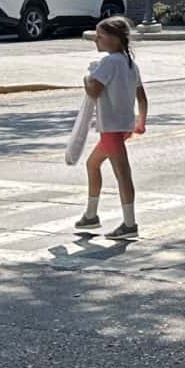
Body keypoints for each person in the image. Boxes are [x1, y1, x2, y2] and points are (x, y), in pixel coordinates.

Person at [73, 15, 149, 240]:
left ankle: (129, 223)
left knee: (123, 174)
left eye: (100, 36)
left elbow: (93, 91)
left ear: (115, 39)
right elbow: (142, 97)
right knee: (92, 163)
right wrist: (141, 122)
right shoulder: (129, 63)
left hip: (112, 128)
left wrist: (87, 77)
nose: (96, 40)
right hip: (123, 126)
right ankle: (91, 215)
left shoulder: (109, 62)